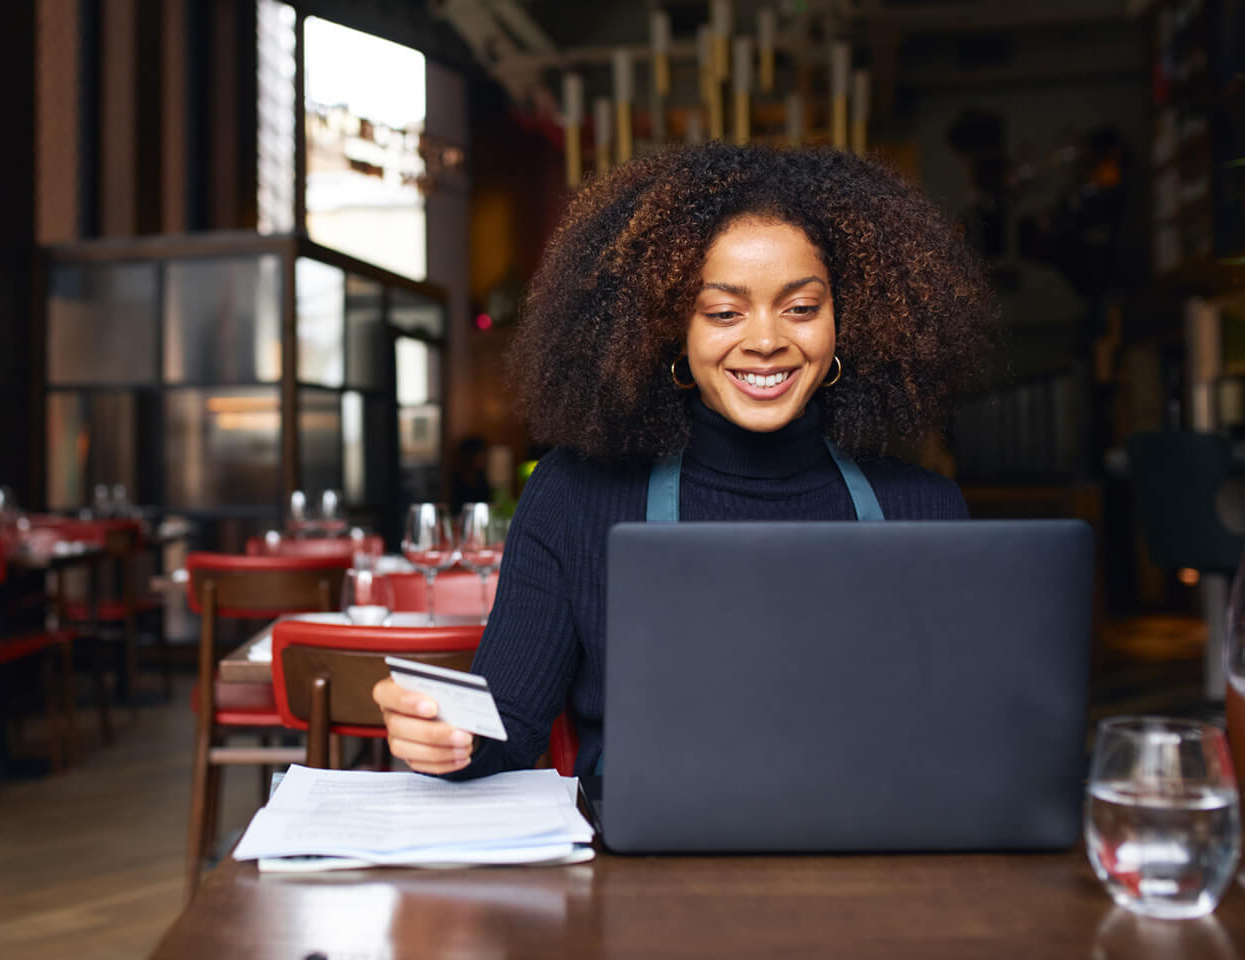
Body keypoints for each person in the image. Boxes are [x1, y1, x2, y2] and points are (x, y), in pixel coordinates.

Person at [373, 143, 996, 778]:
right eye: (723, 312)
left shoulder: (922, 507)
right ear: (669, 327)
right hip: (646, 866)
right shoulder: (575, 496)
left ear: (848, 319)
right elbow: (506, 730)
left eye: (802, 308)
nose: (765, 341)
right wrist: (447, 738)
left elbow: (973, 734)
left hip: (876, 855)